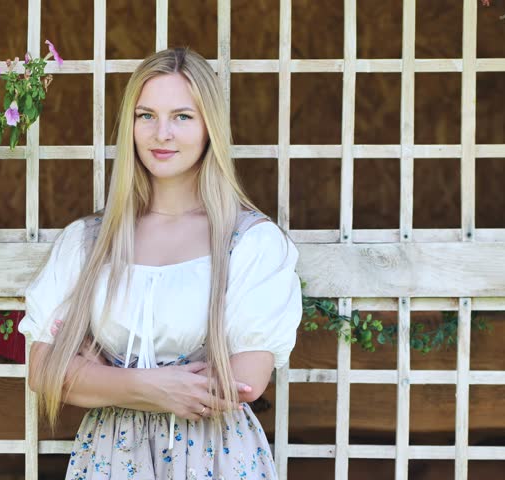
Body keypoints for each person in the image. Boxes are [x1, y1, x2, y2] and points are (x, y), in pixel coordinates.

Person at [18, 47, 303, 479]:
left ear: (210, 127)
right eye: (146, 115)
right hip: (111, 457)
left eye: (183, 117)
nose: (161, 133)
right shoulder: (89, 242)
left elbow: (245, 380)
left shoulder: (250, 242)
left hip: (215, 457)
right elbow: (42, 369)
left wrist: (97, 375)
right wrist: (153, 387)